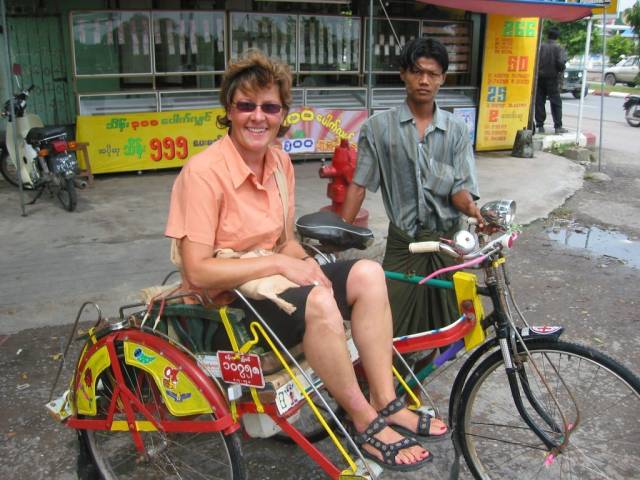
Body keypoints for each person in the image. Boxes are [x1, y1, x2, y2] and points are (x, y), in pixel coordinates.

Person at [165, 50, 447, 472]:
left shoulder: (279, 162)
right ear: (229, 110)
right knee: (316, 302)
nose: (257, 117)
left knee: (367, 274)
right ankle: (364, 420)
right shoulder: (203, 174)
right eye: (246, 106)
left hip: (270, 293)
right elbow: (198, 270)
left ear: (282, 114)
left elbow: (285, 241)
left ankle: (385, 401)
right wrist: (281, 266)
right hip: (225, 311)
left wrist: (305, 263)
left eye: (270, 107)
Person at [342, 37, 482, 338]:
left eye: (432, 74)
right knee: (387, 331)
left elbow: (460, 191)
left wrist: (476, 212)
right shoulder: (378, 128)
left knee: (449, 331)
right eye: (417, 72)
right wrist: (339, 234)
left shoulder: (456, 129)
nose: (424, 80)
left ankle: (422, 383)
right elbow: (358, 186)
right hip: (403, 245)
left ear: (443, 78)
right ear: (404, 74)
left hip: (446, 246)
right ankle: (389, 385)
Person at [535, 27, 568, 135]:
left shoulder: (540, 47)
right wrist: (561, 69)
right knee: (556, 103)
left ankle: (540, 126)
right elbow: (561, 63)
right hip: (553, 79)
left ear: (548, 35)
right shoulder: (559, 48)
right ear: (557, 37)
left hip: (539, 78)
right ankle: (558, 127)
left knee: (540, 102)